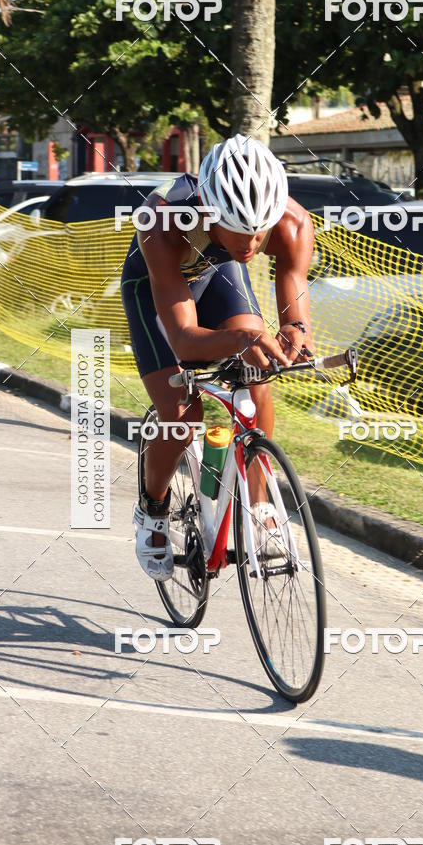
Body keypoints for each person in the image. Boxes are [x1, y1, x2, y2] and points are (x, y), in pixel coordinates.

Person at [121, 134, 315, 580]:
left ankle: (260, 503)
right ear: (209, 209)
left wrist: (294, 332)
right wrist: (245, 337)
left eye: (258, 230)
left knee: (258, 375)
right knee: (183, 413)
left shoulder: (292, 225)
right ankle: (152, 509)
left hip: (218, 270)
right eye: (239, 228)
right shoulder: (163, 221)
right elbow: (186, 340)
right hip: (155, 288)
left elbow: (294, 307)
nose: (251, 242)